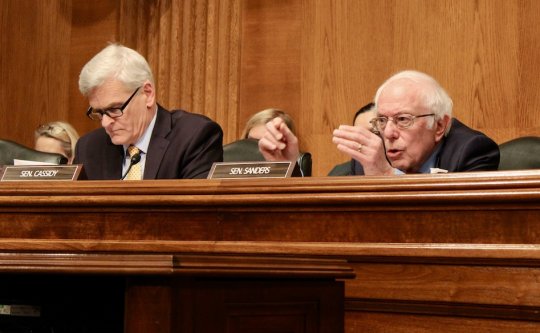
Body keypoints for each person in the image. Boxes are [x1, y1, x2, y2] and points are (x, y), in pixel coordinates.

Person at [259, 70, 500, 175]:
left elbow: (458, 227)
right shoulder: (369, 156)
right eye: (382, 121)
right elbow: (331, 219)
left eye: (403, 120)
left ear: (438, 126)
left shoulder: (472, 151)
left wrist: (387, 175)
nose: (389, 133)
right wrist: (289, 168)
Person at [73, 43, 223, 180]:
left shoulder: (194, 137)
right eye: (99, 112)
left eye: (114, 108)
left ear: (147, 93)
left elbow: (196, 207)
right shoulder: (89, 148)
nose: (105, 122)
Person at [328, 103, 375, 176]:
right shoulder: (338, 174)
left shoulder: (397, 170)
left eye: (372, 133)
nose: (363, 140)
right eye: (358, 134)